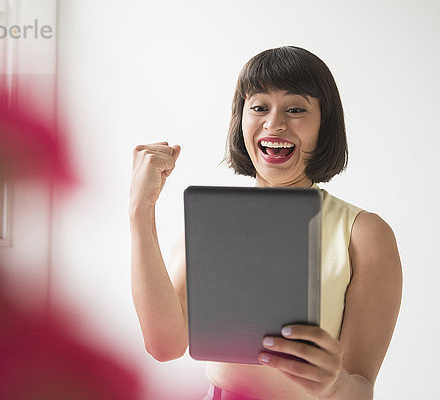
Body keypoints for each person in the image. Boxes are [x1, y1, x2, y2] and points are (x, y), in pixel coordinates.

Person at [129, 46, 402, 400]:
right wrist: (140, 210)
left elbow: (360, 389)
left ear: (325, 124)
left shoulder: (364, 235)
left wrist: (334, 382)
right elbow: (164, 346)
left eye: (296, 109)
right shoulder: (212, 221)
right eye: (259, 107)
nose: (274, 123)